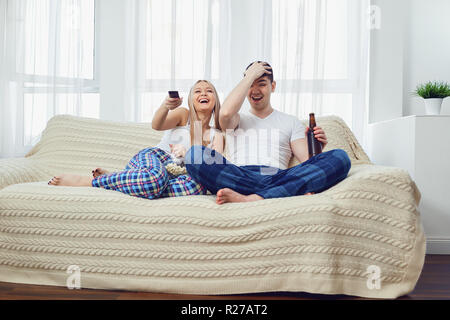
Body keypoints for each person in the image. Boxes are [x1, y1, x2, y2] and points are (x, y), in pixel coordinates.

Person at [185, 61, 351, 204]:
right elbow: (226, 113)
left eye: (262, 84)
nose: (255, 90)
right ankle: (283, 193)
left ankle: (251, 198)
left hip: (278, 176)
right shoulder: (236, 119)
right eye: (251, 85)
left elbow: (308, 162)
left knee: (340, 157)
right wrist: (249, 76)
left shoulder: (291, 121)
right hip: (240, 176)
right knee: (193, 155)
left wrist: (319, 150)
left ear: (273, 86)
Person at [48, 80, 224, 199]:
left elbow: (212, 169)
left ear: (216, 99)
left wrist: (190, 156)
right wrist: (166, 105)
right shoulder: (183, 114)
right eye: (198, 91)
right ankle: (90, 182)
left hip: (178, 175)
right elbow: (157, 124)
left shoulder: (217, 134)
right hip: (155, 159)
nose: (204, 93)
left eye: (209, 91)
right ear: (191, 99)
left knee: (197, 188)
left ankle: (123, 180)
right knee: (155, 179)